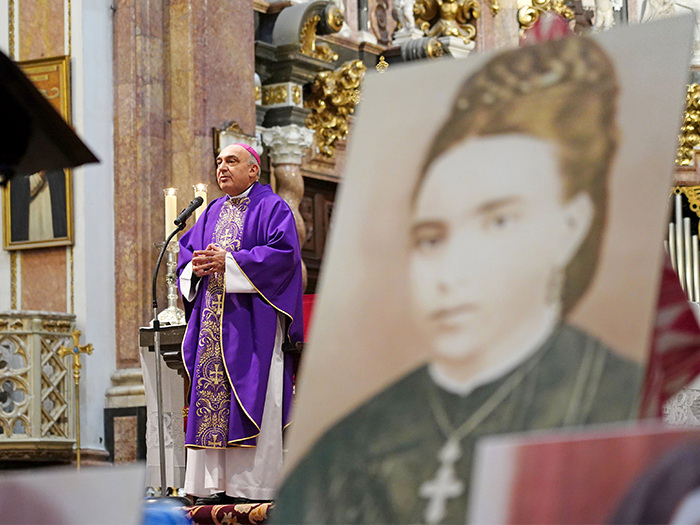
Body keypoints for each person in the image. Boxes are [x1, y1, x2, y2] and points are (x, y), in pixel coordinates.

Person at [273, 36, 642, 524]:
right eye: (429, 237)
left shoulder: (618, 394)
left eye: (499, 222)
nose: (455, 269)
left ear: (571, 226)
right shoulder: (349, 435)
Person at [177, 143, 304, 505]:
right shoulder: (212, 211)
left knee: (254, 397)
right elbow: (187, 252)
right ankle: (212, 484)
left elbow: (283, 257)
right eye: (218, 161)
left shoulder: (272, 206)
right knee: (210, 402)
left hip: (253, 327)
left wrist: (231, 262)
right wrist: (193, 268)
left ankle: (251, 487)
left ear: (254, 170)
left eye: (231, 161)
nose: (222, 168)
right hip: (212, 327)